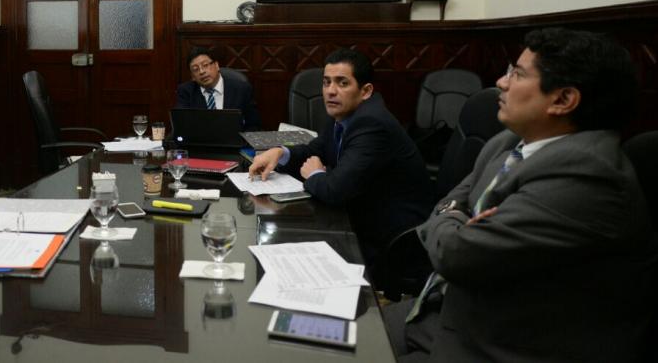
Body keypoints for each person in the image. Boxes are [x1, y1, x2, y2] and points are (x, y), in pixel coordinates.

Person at [383, 28, 657, 363]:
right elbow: (447, 203)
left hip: (498, 344)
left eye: (517, 73)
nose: (501, 82)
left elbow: (456, 254)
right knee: (324, 331)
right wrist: (458, 216)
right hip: (444, 310)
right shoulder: (510, 142)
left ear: (562, 100)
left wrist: (453, 220)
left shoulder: (588, 176)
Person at [248, 48, 432, 275]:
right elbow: (315, 150)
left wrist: (315, 174)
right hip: (359, 215)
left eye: (342, 83)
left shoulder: (372, 124)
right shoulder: (345, 114)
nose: (330, 91)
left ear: (365, 91)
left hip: (389, 236)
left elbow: (335, 190)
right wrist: (279, 152)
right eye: (326, 83)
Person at [175, 47, 261, 129]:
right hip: (201, 142)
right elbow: (182, 125)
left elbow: (253, 125)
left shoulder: (242, 89)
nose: (202, 72)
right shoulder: (186, 91)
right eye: (195, 69)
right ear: (192, 76)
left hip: (235, 142)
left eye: (205, 65)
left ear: (216, 65)